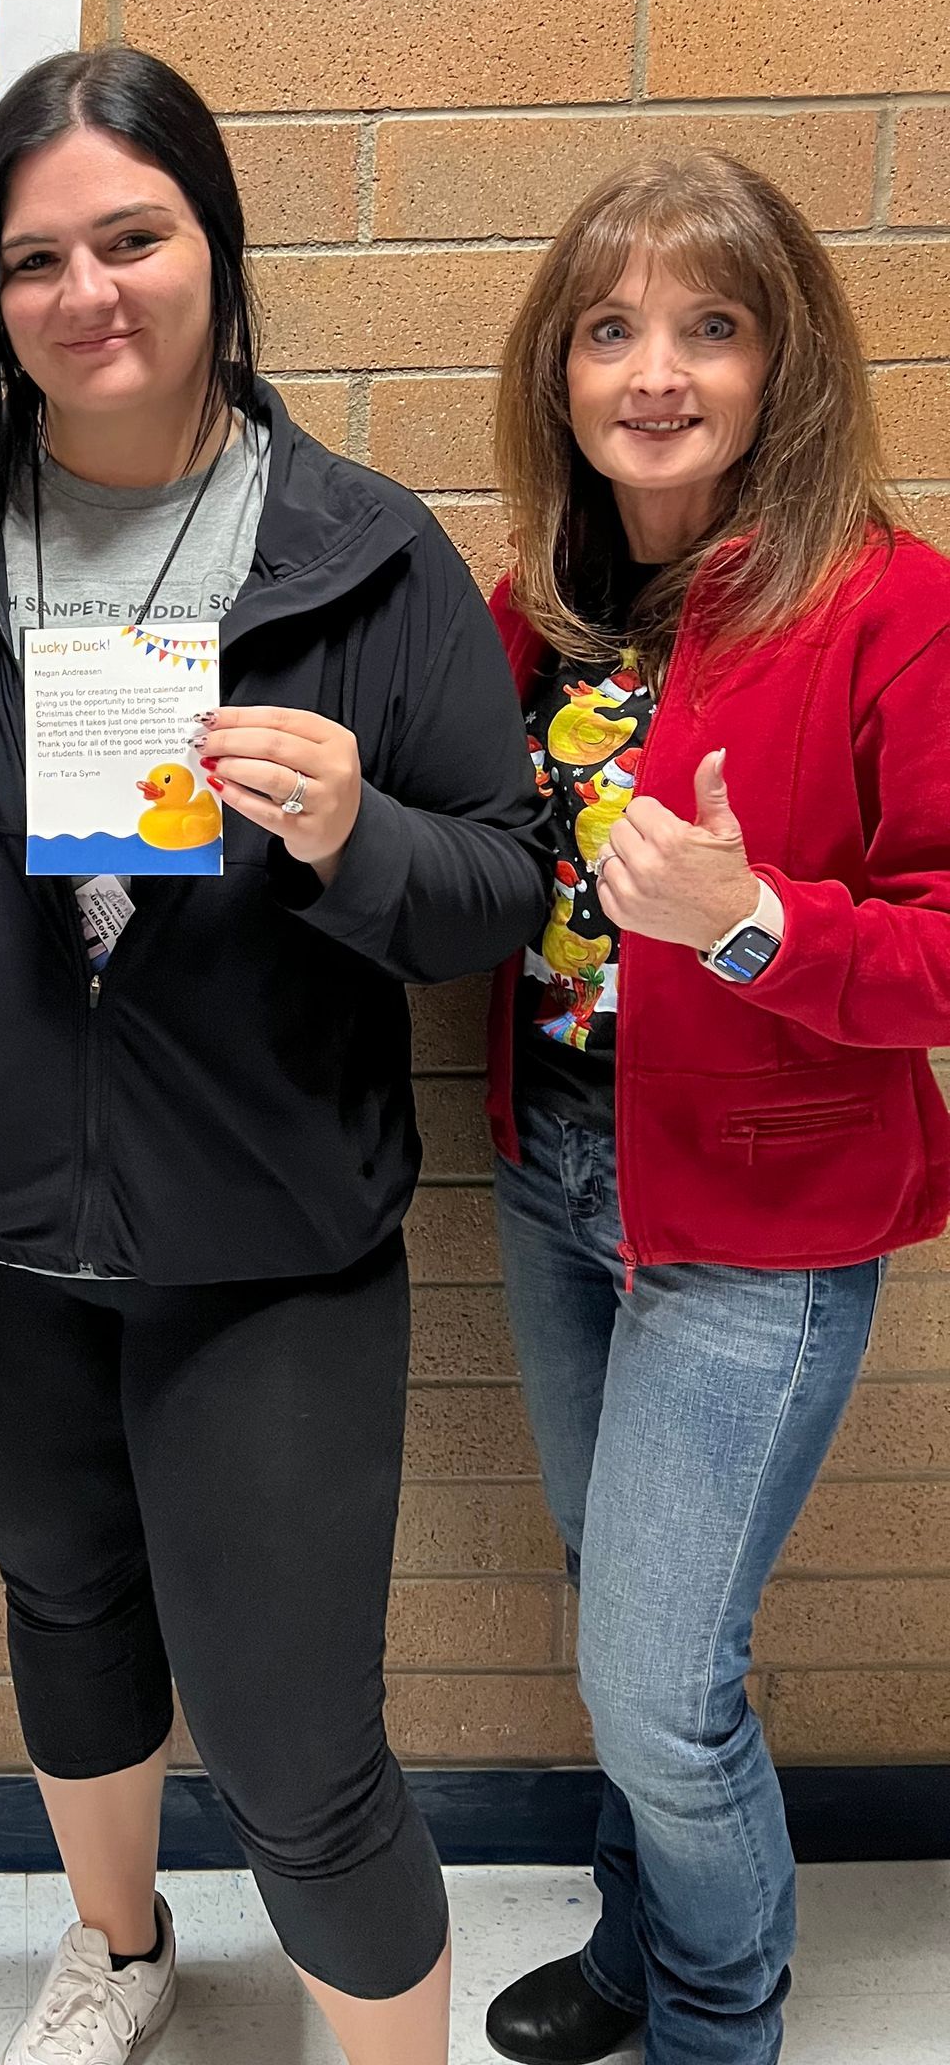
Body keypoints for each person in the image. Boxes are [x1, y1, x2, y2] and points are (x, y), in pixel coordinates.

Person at [0, 47, 553, 2065]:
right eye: (35, 257)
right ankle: (116, 1946)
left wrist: (357, 831)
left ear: (213, 245)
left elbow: (499, 892)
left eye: (133, 236)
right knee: (69, 1596)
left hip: (269, 1236)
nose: (87, 291)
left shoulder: (369, 555)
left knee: (298, 1742)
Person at [480, 152, 950, 2065]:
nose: (653, 371)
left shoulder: (891, 602)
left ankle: (714, 2021)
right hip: (558, 1172)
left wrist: (752, 929)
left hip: (764, 1222)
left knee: (663, 1686)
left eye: (709, 325)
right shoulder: (544, 605)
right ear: (560, 371)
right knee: (624, 1624)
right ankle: (637, 1938)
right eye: (610, 328)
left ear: (782, 362)